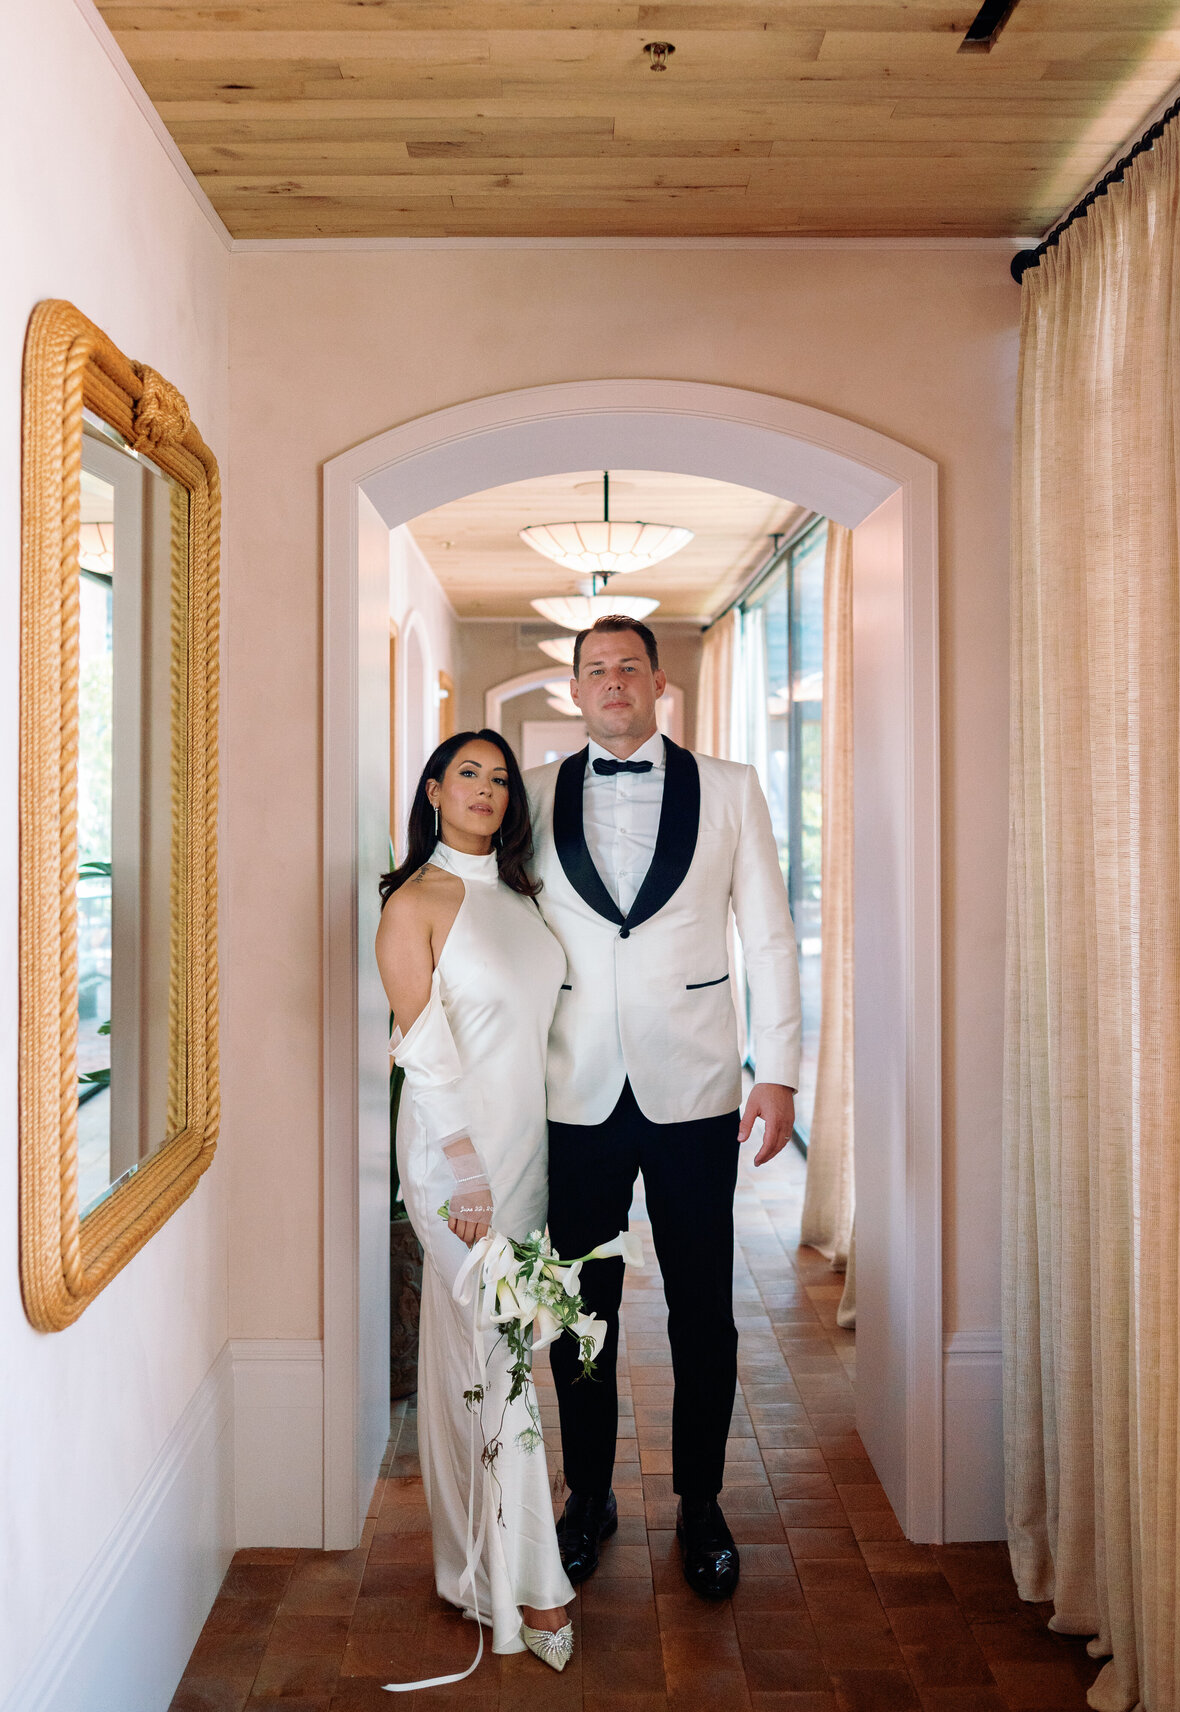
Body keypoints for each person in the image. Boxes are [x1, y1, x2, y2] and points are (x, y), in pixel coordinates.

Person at [525, 615, 802, 1601]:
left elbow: (768, 935)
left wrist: (780, 1070)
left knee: (702, 1313)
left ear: (659, 683)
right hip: (572, 1090)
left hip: (696, 1091)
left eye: (627, 668)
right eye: (593, 670)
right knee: (579, 1309)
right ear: (575, 688)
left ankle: (701, 1505)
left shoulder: (728, 788)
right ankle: (587, 1497)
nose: (611, 683)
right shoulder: (534, 796)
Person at [375, 730, 575, 1675]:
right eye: (468, 774)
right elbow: (423, 1047)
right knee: (499, 1364)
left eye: (500, 778)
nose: (487, 790)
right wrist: (462, 1174)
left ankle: (468, 1565)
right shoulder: (414, 902)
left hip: (525, 1156)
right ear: (433, 789)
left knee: (486, 1363)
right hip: (457, 1164)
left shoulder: (525, 901)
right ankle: (532, 1583)